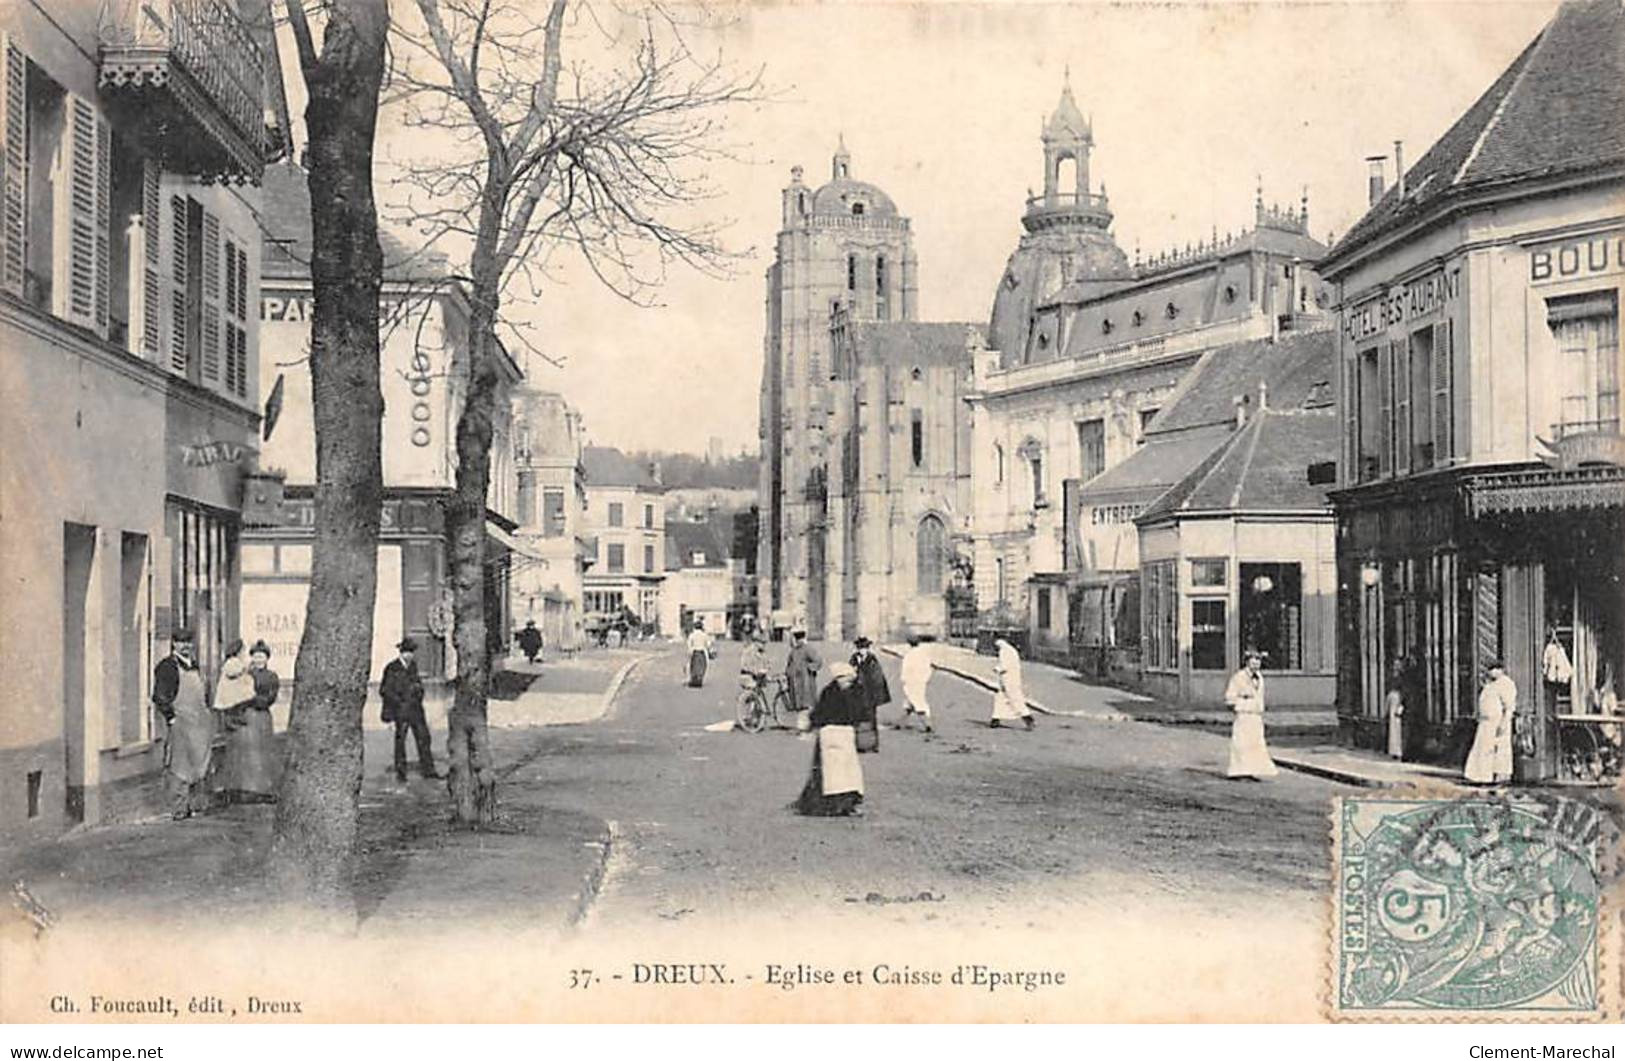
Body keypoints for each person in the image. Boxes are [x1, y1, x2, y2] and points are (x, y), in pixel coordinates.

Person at [152, 628, 212, 820]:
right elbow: (160, 696)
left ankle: (194, 806)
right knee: (179, 766)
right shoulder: (167, 666)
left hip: (198, 725)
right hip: (180, 723)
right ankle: (179, 808)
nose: (185, 646)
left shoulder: (193, 666)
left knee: (197, 764)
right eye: (180, 642)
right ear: (174, 644)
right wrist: (171, 718)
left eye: (188, 642)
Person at [795, 662, 866, 817]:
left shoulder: (831, 692)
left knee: (838, 774)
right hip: (835, 735)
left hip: (839, 735)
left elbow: (818, 714)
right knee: (841, 774)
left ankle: (838, 804)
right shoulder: (852, 692)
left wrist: (812, 725)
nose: (846, 682)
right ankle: (840, 805)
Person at [221, 640, 282, 803]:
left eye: (262, 656)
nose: (258, 660)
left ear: (267, 658)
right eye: (255, 656)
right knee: (245, 753)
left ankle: (263, 790)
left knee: (262, 754)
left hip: (261, 717)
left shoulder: (272, 676)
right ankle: (244, 788)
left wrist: (253, 699)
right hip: (245, 716)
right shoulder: (244, 673)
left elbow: (270, 697)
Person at [381, 637, 440, 782]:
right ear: (401, 653)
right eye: (407, 652)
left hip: (416, 710)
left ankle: (428, 770)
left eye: (412, 652)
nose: (410, 655)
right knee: (401, 740)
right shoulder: (392, 668)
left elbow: (418, 684)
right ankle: (401, 772)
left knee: (424, 738)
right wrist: (398, 703)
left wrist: (419, 692)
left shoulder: (413, 666)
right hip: (401, 710)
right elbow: (385, 690)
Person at [1224, 649, 1278, 779]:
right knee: (1242, 743)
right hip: (1244, 715)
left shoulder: (1260, 678)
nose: (1256, 664)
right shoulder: (1239, 677)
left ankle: (1251, 769)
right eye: (1253, 661)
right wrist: (1242, 701)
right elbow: (1230, 698)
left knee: (1255, 744)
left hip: (1256, 715)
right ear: (1247, 662)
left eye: (1258, 661)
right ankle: (1239, 771)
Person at [1465, 659, 1517, 785]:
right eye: (1490, 669)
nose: (1491, 672)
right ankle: (1482, 776)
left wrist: (1504, 723)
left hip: (1498, 722)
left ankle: (1500, 778)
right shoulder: (1491, 685)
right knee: (1483, 749)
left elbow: (1509, 706)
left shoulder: (1506, 684)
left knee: (1498, 750)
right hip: (1486, 722)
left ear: (1501, 670)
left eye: (1494, 669)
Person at [850, 637, 890, 753]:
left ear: (867, 649)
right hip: (858, 694)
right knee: (858, 719)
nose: (862, 650)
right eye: (860, 648)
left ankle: (873, 744)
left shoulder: (872, 659)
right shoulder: (854, 658)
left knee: (871, 719)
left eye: (864, 648)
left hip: (870, 694)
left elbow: (877, 678)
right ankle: (860, 744)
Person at [989, 638, 1035, 730]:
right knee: (1000, 699)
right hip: (1009, 679)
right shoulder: (1010, 650)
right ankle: (995, 719)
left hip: (1009, 679)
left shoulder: (1004, 651)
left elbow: (1005, 665)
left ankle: (1028, 718)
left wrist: (997, 668)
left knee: (1015, 699)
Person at [784, 627, 821, 733]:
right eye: (796, 638)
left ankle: (805, 725)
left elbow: (818, 661)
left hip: (806, 681)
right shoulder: (793, 651)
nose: (797, 641)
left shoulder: (808, 649)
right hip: (795, 681)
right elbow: (789, 664)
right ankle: (802, 725)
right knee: (798, 703)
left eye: (799, 638)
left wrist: (809, 668)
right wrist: (787, 673)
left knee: (806, 703)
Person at [898, 634, 936, 733]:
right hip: (920, 682)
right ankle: (900, 723)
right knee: (910, 703)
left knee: (917, 702)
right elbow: (928, 668)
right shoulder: (923, 654)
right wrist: (926, 679)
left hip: (911, 682)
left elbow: (905, 669)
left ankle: (927, 724)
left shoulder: (909, 655)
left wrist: (904, 679)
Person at [1384, 657, 1407, 761]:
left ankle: (1399, 751)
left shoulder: (1403, 677)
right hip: (1392, 701)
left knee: (1398, 728)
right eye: (1395, 664)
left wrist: (1401, 706)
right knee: (1392, 727)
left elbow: (1404, 692)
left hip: (1398, 701)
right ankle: (1393, 751)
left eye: (1398, 664)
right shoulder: (1392, 676)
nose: (1396, 667)